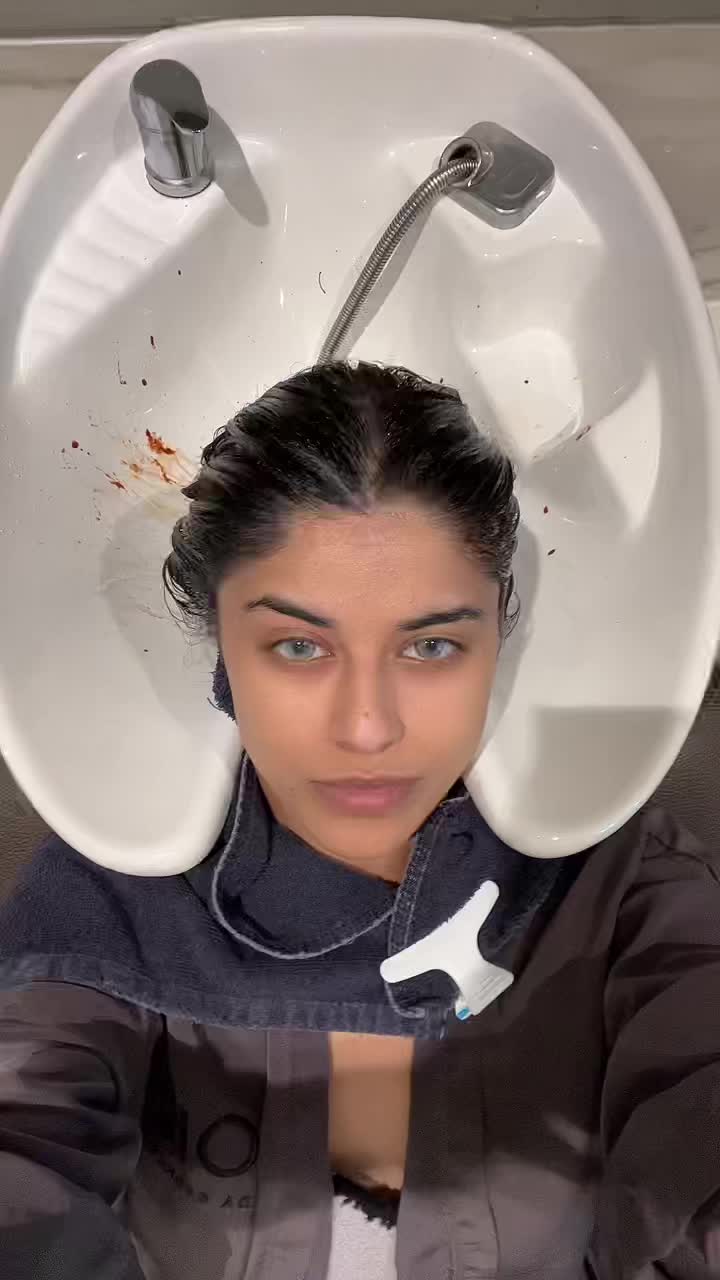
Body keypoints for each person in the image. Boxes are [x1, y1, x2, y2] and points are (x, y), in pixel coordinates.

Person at [0, 362, 718, 1280]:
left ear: (500, 638)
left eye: (432, 645)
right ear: (220, 646)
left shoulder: (623, 889)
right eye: (299, 646)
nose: (368, 728)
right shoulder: (114, 890)